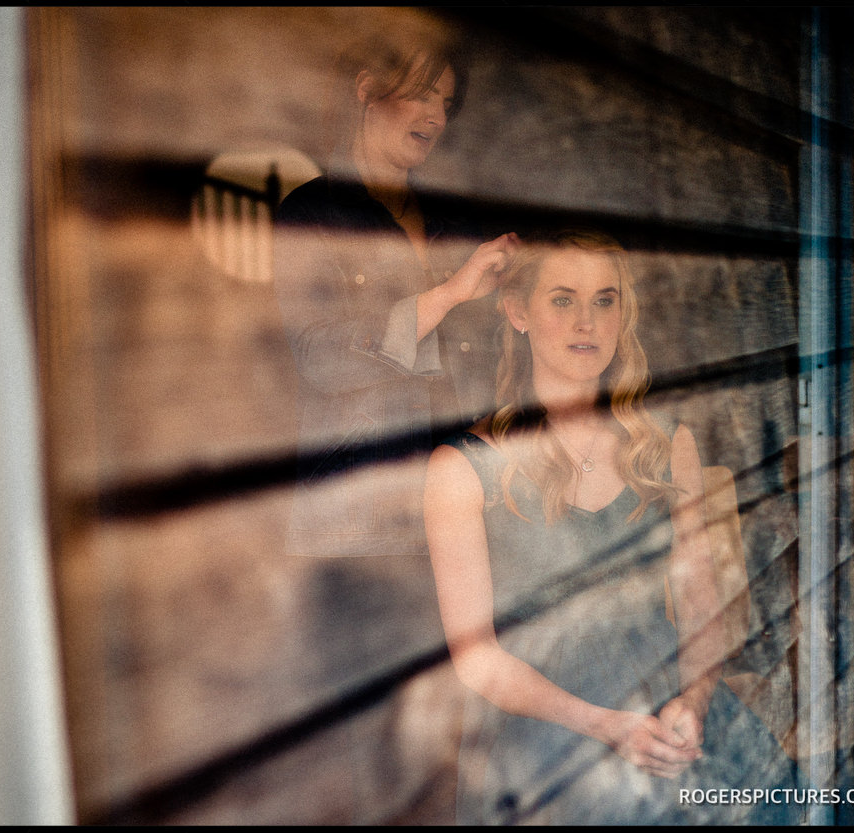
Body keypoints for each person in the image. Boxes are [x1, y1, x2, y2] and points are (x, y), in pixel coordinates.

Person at [423, 229, 802, 824]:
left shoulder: (666, 447)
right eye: (563, 299)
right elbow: (477, 660)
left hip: (664, 724)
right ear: (518, 312)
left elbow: (701, 601)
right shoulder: (462, 469)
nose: (587, 322)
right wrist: (604, 727)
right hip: (541, 738)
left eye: (605, 301)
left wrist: (694, 703)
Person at [270, 20, 520, 821]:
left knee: (452, 744)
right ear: (366, 91)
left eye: (446, 102)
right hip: (361, 527)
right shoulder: (314, 207)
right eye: (420, 92)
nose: (435, 115)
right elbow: (321, 358)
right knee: (381, 761)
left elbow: (463, 372)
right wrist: (449, 293)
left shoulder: (438, 219)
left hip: (454, 514)